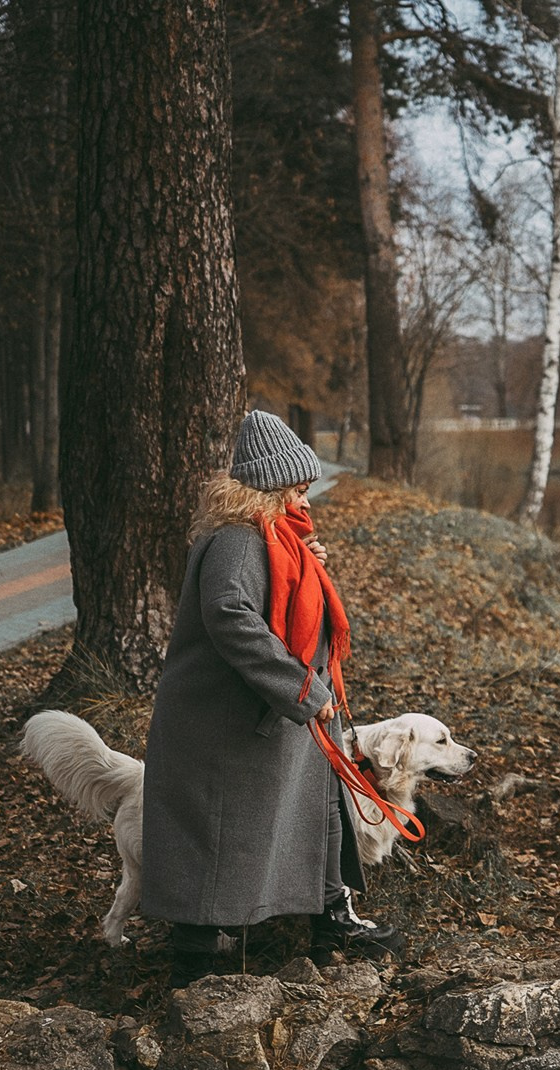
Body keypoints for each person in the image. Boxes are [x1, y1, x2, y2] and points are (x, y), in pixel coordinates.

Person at [137, 409, 399, 985]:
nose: (307, 495)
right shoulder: (235, 541)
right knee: (216, 834)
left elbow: (278, 597)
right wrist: (302, 688)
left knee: (317, 809)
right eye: (298, 485)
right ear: (269, 486)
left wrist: (309, 567)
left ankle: (333, 918)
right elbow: (231, 616)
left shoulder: (272, 538)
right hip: (225, 725)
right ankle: (194, 963)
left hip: (268, 718)